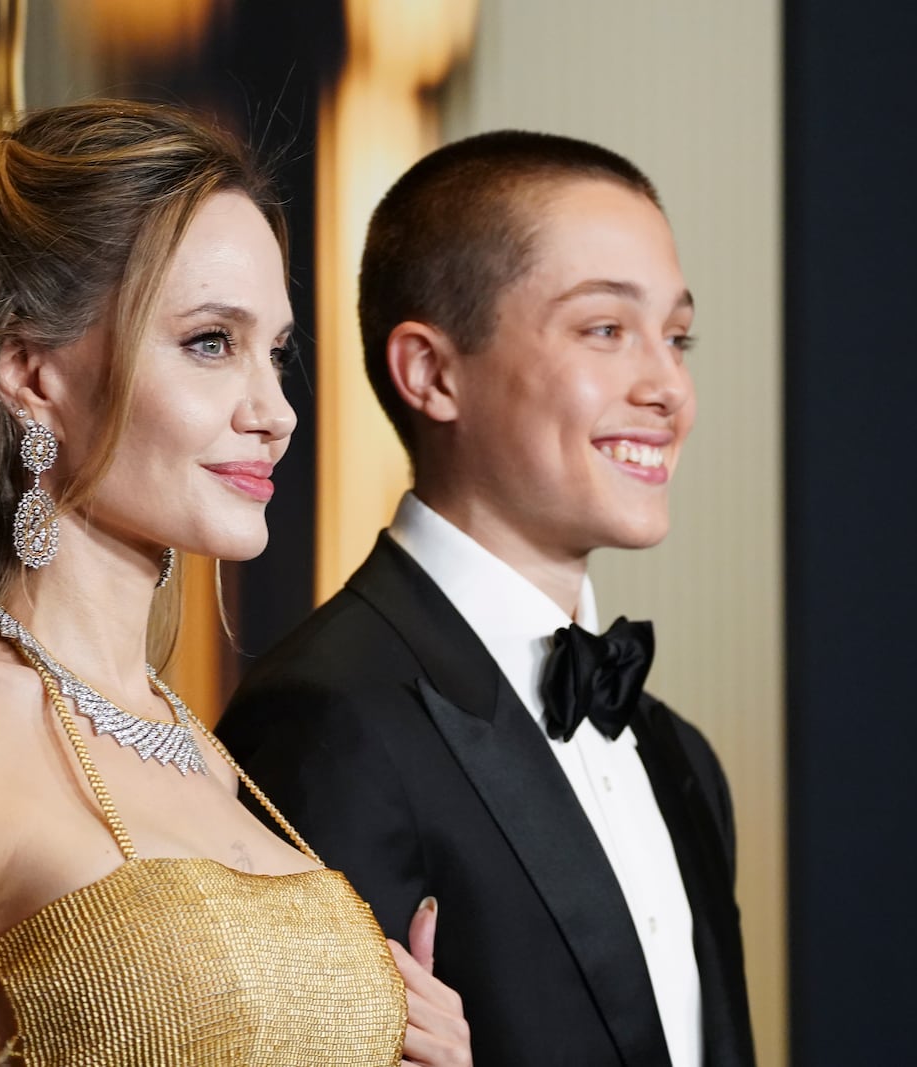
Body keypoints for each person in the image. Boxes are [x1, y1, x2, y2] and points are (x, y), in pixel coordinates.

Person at [0, 98, 472, 1067]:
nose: (275, 411)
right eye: (211, 342)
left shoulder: (202, 753)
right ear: (28, 370)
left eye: (277, 351)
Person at [216, 130, 757, 1067]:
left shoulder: (680, 758)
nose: (669, 387)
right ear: (431, 371)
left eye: (678, 337)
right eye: (605, 329)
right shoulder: (326, 719)